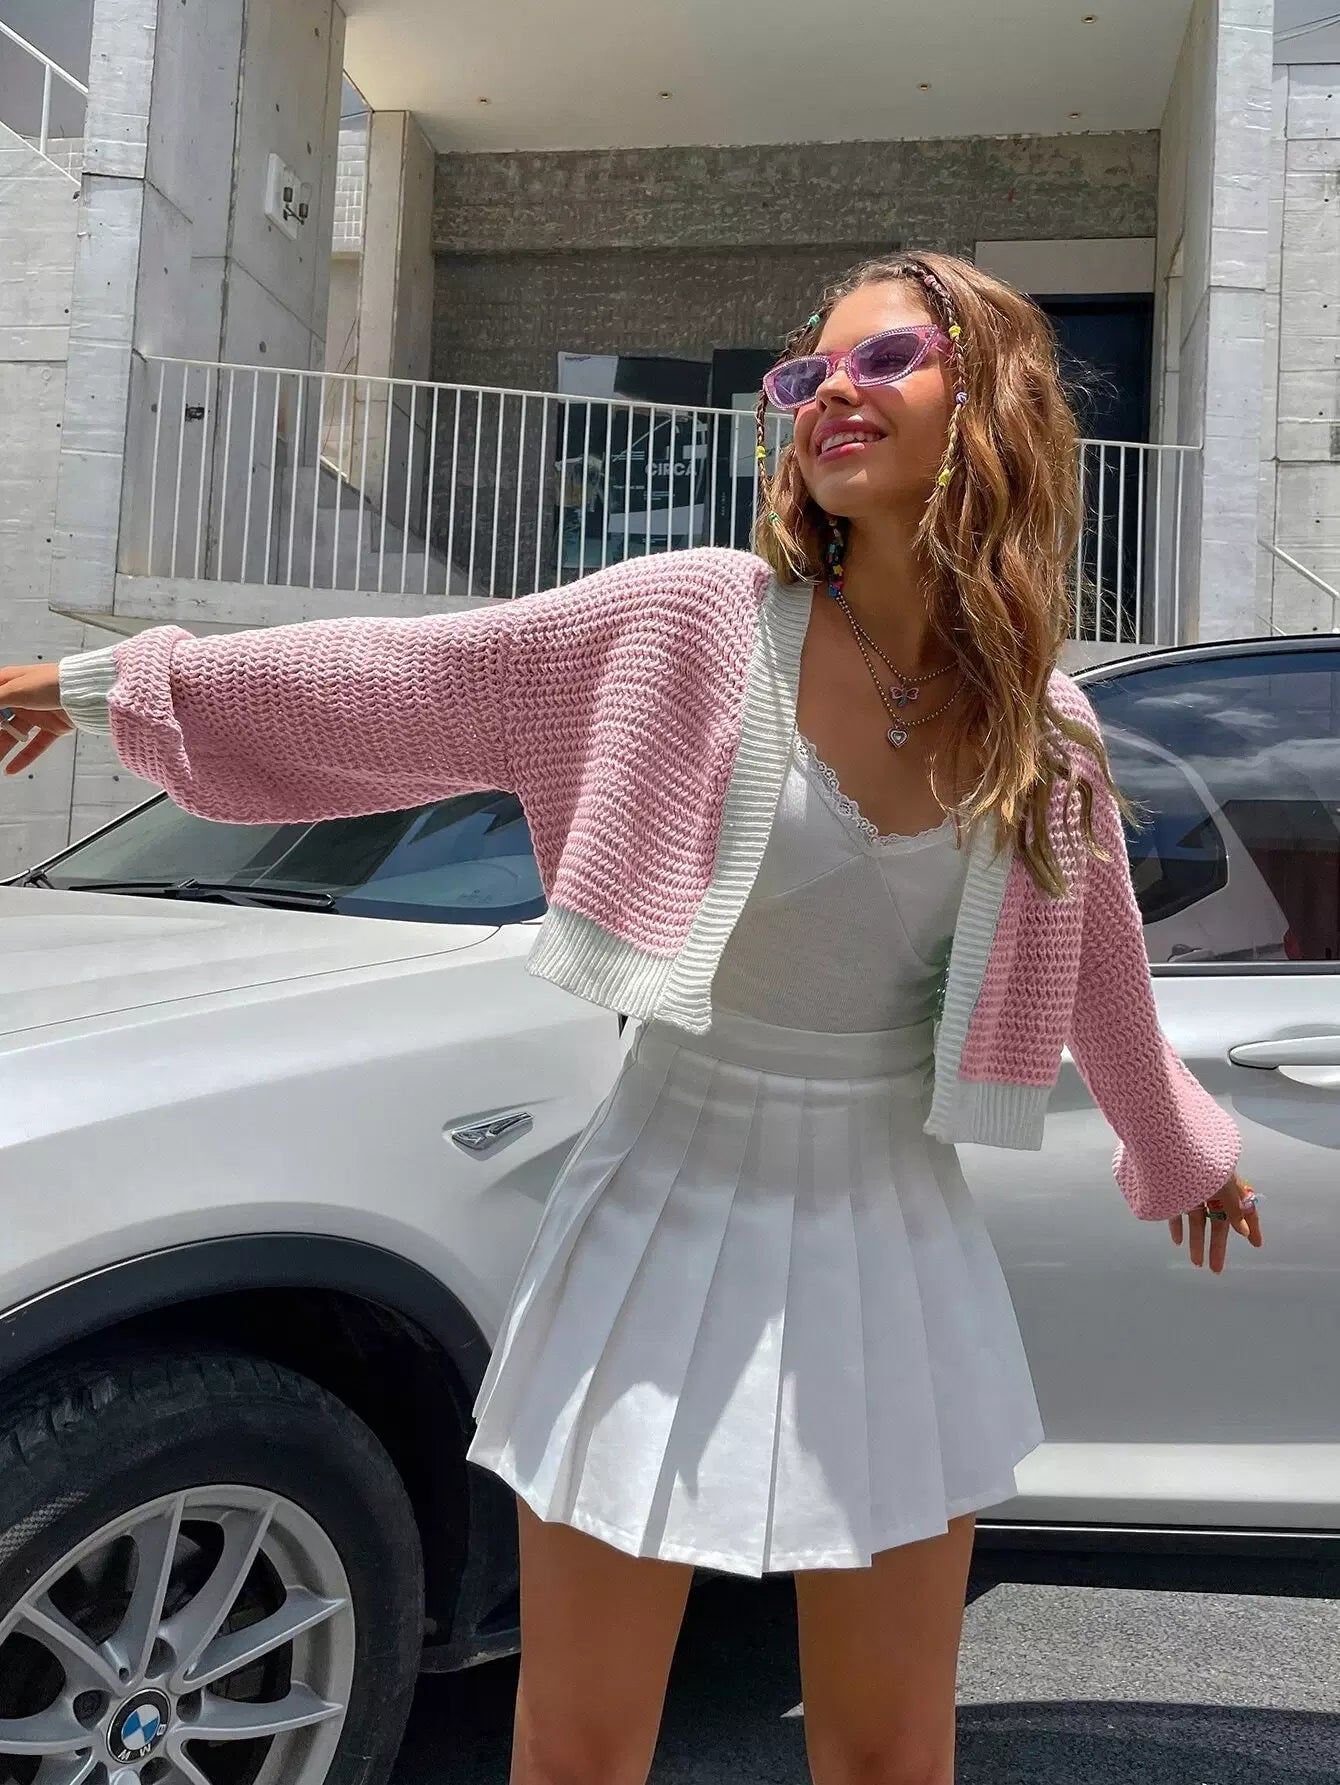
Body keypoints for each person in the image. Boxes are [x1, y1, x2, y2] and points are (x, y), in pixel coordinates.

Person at [1, 251, 1263, 1785]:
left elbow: (1102, 961)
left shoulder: (1044, 727)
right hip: (663, 1215)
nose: (831, 392)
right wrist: (93, 685)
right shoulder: (693, 623)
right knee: (580, 1748)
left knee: (891, 1752)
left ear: (989, 399)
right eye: (807, 373)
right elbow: (409, 678)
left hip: (896, 1241)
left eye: (886, 360)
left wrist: (1178, 1146)